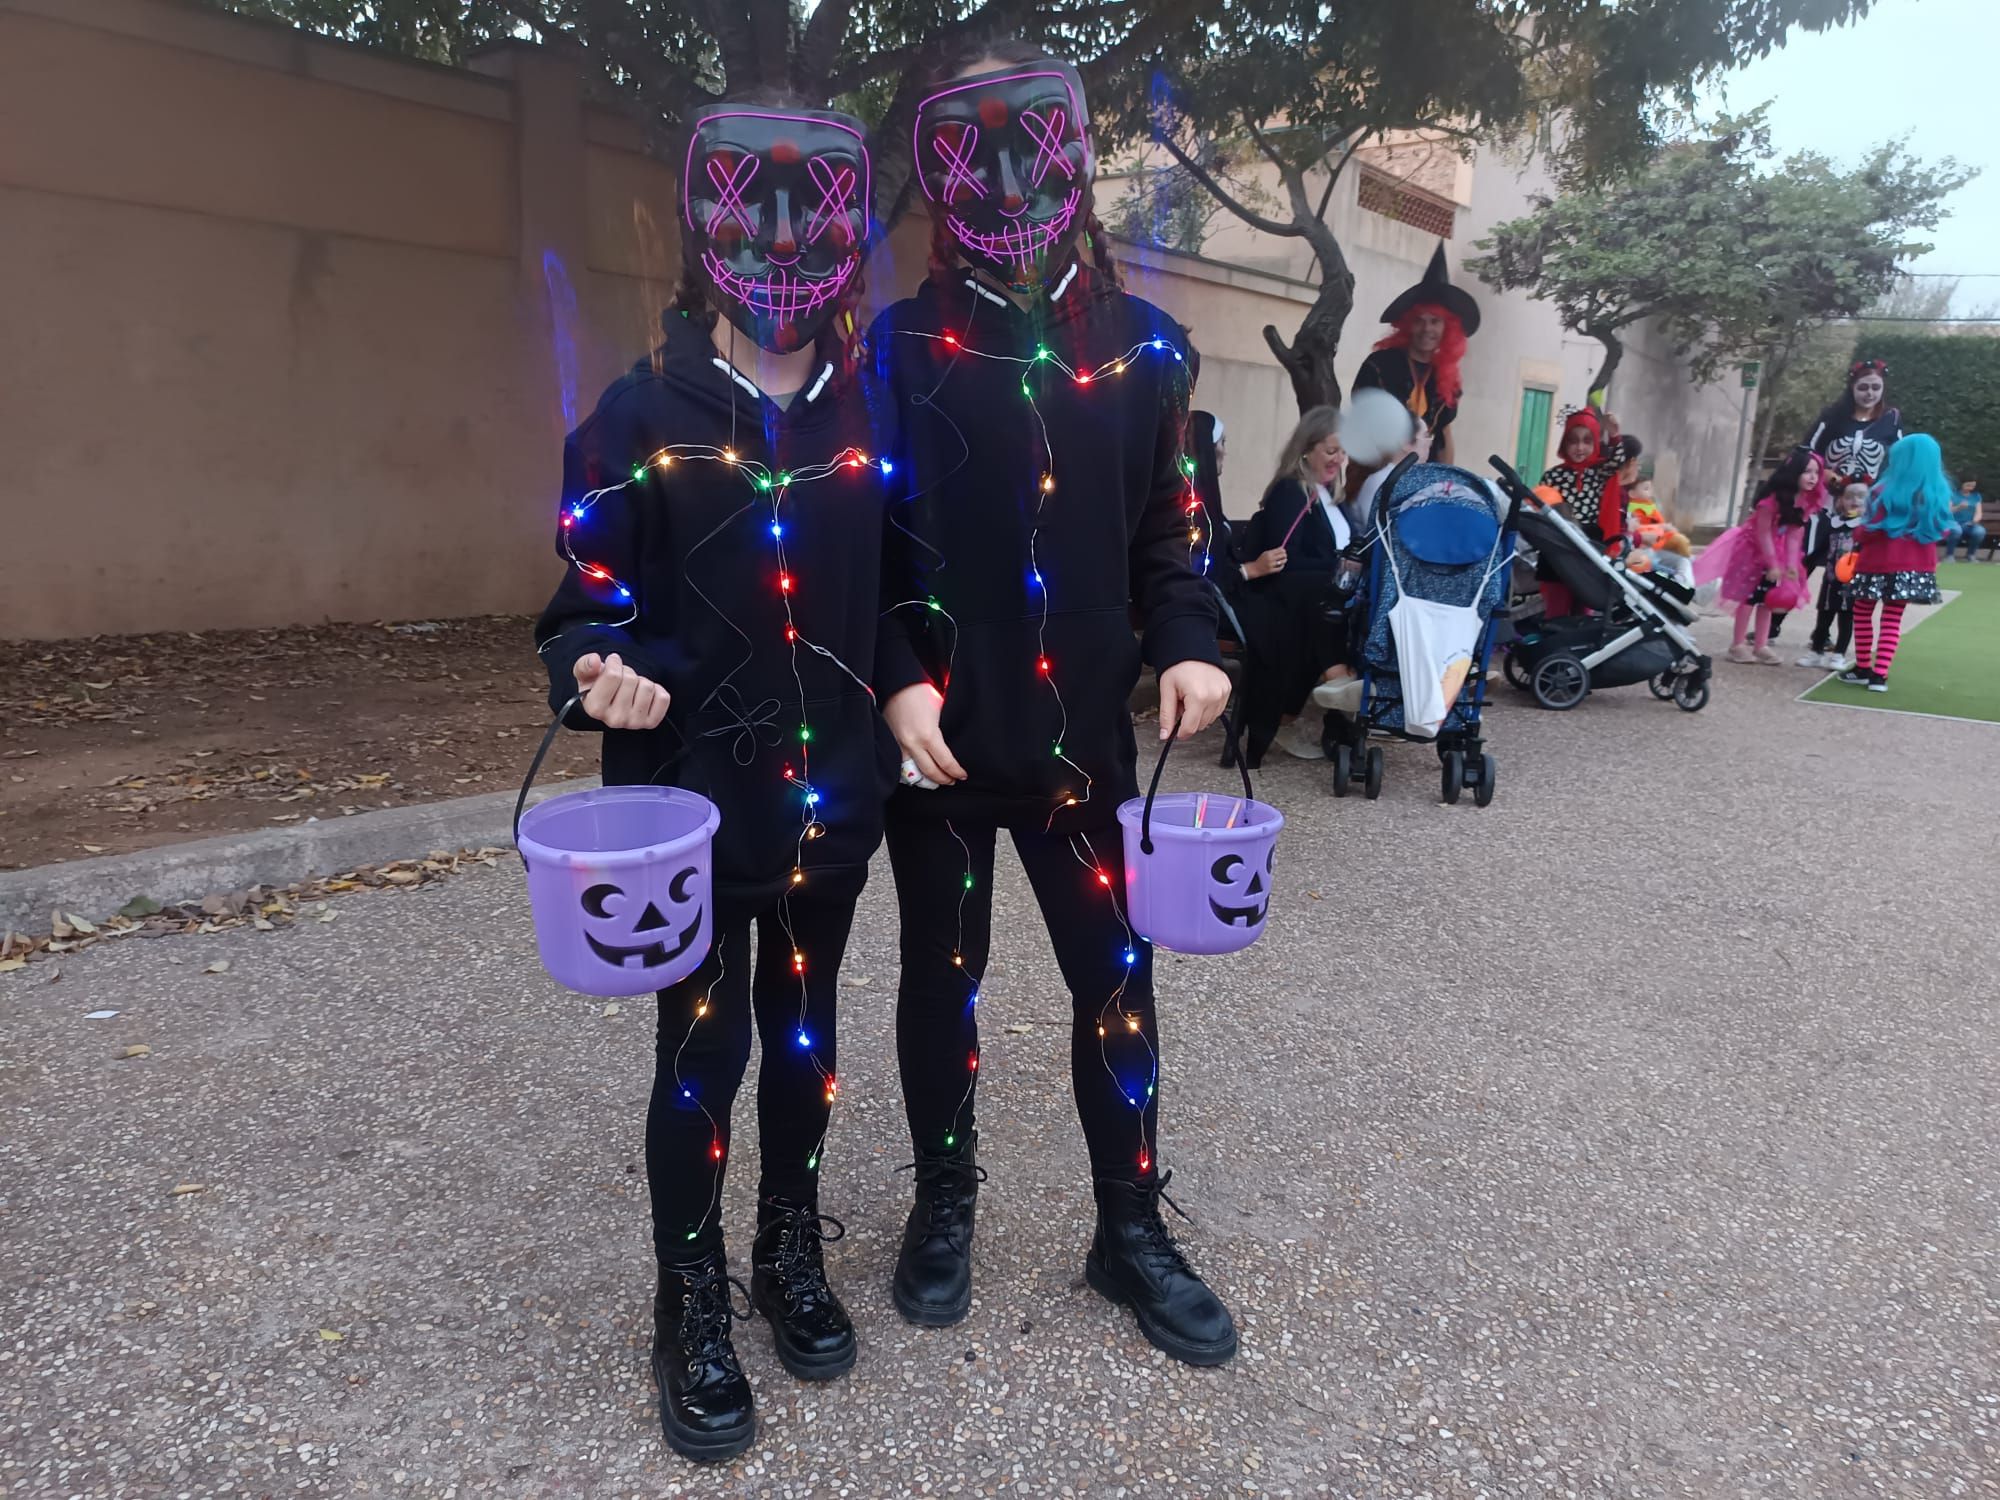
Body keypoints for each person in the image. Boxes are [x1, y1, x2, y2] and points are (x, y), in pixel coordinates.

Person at [870, 42, 1239, 1367]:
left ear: (1076, 156)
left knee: (1116, 985)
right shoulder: (899, 348)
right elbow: (872, 539)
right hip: (941, 750)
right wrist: (899, 670)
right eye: (982, 148)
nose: (1013, 177)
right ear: (940, 168)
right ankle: (944, 1199)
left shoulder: (1147, 349)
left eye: (1037, 144)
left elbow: (1172, 531)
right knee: (941, 982)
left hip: (1084, 746)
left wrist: (1192, 640)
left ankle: (1127, 1226)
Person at [533, 99, 889, 1462]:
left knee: (804, 1042)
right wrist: (594, 673)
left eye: (818, 216)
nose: (788, 243)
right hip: (684, 811)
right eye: (756, 212)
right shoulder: (635, 411)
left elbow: (907, 586)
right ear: (706, 227)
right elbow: (581, 605)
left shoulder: (872, 413)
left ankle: (785, 1249)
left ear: (853, 237)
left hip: (833, 801)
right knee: (701, 1052)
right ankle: (687, 1296)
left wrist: (910, 689)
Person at [1224, 407, 1368, 763]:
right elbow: (1286, 562)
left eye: (1343, 451)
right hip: (1277, 598)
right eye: (1331, 450)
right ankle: (1339, 681)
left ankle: (1340, 687)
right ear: (1307, 449)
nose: (1339, 459)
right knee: (1325, 603)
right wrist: (1339, 567)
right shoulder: (1290, 492)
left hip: (1315, 600)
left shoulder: (1332, 496)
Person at [1839, 433, 1952, 692]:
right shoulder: (1938, 493)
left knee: (1862, 612)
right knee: (1893, 618)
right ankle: (1880, 676)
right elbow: (1942, 531)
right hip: (1914, 569)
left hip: (1875, 565)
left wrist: (1857, 532)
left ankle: (1863, 667)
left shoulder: (1883, 491)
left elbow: (1869, 531)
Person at [1352, 243, 1480, 465]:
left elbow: (1444, 436)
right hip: (1375, 473)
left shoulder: (1446, 378)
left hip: (1421, 483)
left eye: (1435, 321)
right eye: (1419, 321)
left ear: (1447, 328)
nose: (1427, 329)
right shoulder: (1379, 365)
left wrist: (1444, 483)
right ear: (1407, 324)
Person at [1695, 448, 1825, 665]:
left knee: (1768, 600)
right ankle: (1737, 644)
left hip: (1778, 549)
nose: (1813, 477)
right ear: (1794, 473)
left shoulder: (1803, 502)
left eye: (1816, 472)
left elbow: (1794, 534)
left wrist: (1791, 564)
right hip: (1752, 550)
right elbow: (1762, 533)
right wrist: (1772, 563)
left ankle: (1761, 644)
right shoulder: (1770, 502)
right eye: (1807, 472)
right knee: (1748, 598)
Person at [1536, 408, 1628, 616]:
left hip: (1589, 545)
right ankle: (1553, 644)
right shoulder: (1553, 476)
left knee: (1583, 606)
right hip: (1557, 544)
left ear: (1596, 443)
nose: (1580, 447)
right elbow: (1540, 506)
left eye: (1587, 441)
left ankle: (1579, 646)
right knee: (1555, 607)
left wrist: (1614, 434)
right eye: (1573, 441)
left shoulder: (1600, 472)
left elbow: (1617, 461)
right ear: (1564, 444)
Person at [1799, 478, 1868, 669]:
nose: (1854, 501)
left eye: (1861, 497)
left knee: (1846, 618)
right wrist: (1803, 565)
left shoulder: (1865, 528)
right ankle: (1816, 651)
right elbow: (1821, 549)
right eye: (1849, 497)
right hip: (1830, 580)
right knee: (1824, 616)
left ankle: (1839, 655)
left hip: (1852, 582)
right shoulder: (1833, 524)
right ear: (1840, 500)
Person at [1943, 476, 1987, 562]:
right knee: (1957, 531)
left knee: (1980, 531)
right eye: (1968, 485)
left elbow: (1978, 512)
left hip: (1969, 524)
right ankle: (1949, 555)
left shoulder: (1976, 496)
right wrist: (1958, 507)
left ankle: (1971, 555)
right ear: (1962, 484)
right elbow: (1947, 512)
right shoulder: (1953, 495)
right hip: (1953, 523)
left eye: (1973, 486)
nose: (1970, 488)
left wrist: (1975, 520)